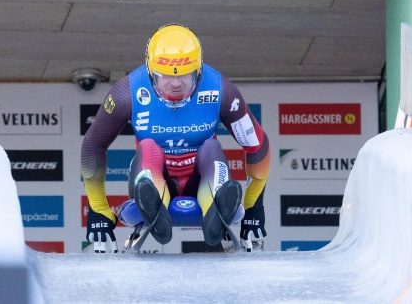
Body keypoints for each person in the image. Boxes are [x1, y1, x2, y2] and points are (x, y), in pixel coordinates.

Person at [81, 24, 270, 253]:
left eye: (186, 76)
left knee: (211, 147)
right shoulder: (126, 93)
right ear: (151, 72)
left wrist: (253, 207)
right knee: (150, 146)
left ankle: (215, 206)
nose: (176, 84)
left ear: (198, 71)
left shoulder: (220, 89)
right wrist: (98, 209)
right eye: (166, 77)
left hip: (200, 178)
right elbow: (93, 146)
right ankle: (155, 203)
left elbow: (258, 145)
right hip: (154, 176)